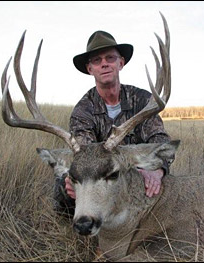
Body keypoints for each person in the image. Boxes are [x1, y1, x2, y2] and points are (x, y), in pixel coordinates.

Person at [56, 30, 172, 214]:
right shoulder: (83, 111)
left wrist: (157, 171)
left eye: (110, 58)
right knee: (64, 187)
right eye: (97, 60)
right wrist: (72, 180)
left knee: (167, 191)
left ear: (121, 63)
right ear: (90, 69)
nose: (104, 64)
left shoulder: (144, 101)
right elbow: (85, 157)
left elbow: (162, 143)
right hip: (104, 180)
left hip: (140, 176)